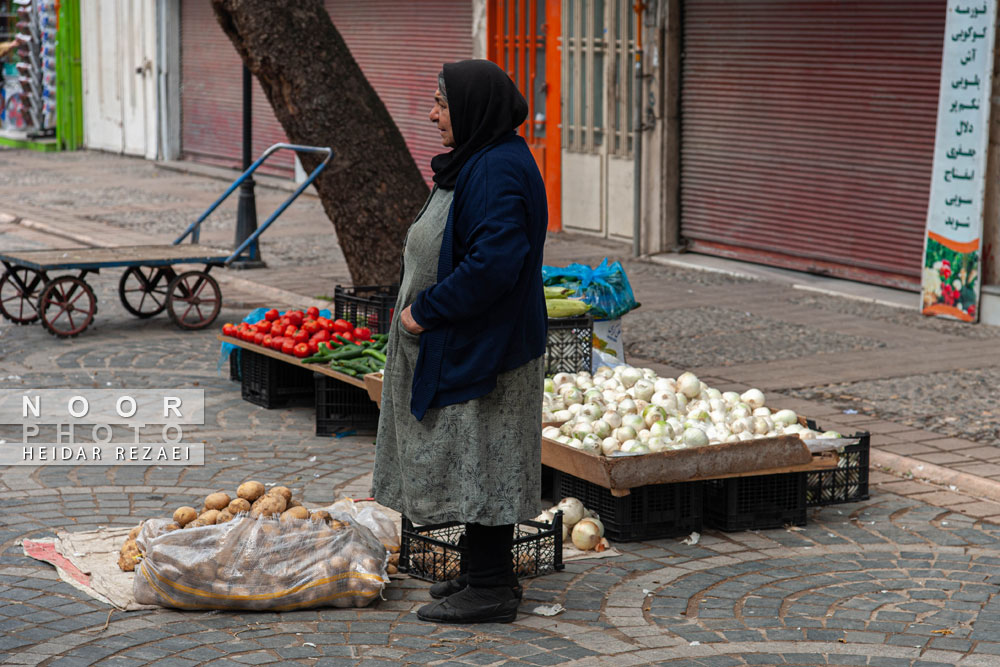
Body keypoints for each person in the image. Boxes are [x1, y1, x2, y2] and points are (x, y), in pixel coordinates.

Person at [371, 59, 548, 624]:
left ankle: (492, 588)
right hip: (476, 342)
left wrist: (426, 311)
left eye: (442, 104)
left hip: (487, 347)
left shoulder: (496, 169)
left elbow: (496, 262)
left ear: (473, 109)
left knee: (485, 457)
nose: (432, 114)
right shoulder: (482, 159)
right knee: (475, 455)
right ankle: (481, 575)